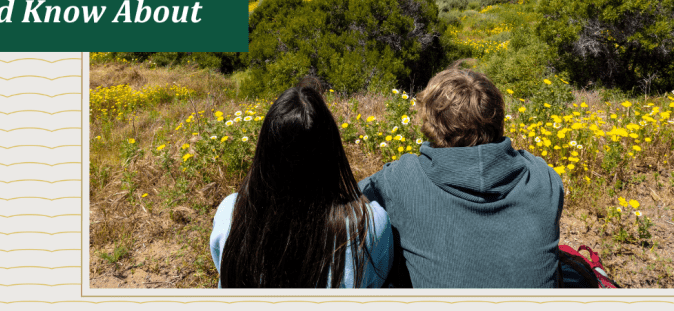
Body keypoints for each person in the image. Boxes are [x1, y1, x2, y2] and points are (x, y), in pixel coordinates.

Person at [358, 66, 564, 288]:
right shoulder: (543, 177)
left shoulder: (400, 178)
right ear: (499, 118)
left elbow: (351, 203)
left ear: (430, 123)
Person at [210, 80, 393, 288]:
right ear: (331, 150)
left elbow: (225, 272)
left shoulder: (232, 213)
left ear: (265, 150)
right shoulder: (368, 224)